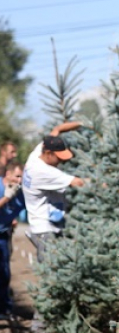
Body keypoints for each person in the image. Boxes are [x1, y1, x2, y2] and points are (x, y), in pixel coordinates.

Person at [22, 122, 85, 263]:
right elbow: (79, 182)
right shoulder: (42, 171)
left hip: (45, 226)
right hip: (46, 230)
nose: (61, 162)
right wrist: (109, 184)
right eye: (59, 158)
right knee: (52, 270)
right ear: (48, 153)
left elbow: (57, 129)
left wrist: (81, 123)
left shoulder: (37, 153)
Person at [0, 160, 26, 319]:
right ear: (8, 174)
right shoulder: (3, 188)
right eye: (17, 176)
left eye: (21, 177)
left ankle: (4, 309)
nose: (19, 180)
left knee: (4, 272)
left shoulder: (20, 193)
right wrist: (6, 198)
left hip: (3, 234)